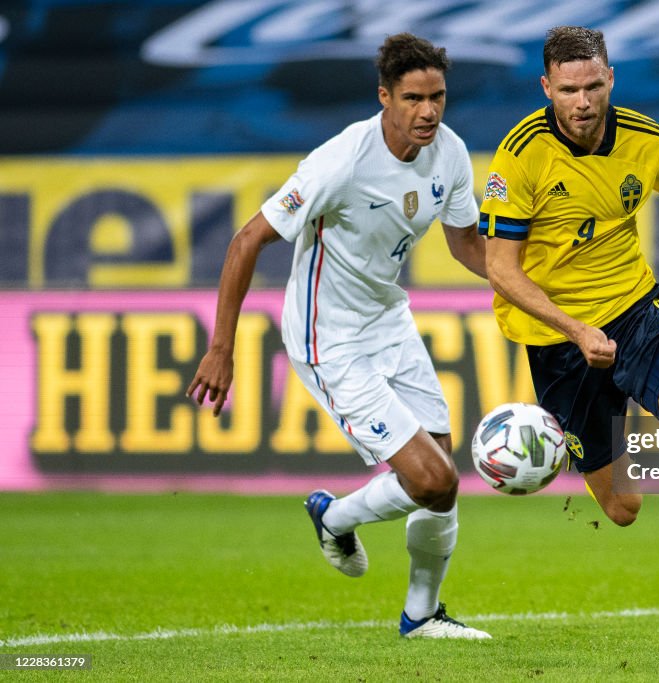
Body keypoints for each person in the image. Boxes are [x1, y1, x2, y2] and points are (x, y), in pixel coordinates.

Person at [479, 26, 659, 653]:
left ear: (611, 78)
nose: (582, 102)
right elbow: (501, 268)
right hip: (557, 337)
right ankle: (598, 425)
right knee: (623, 508)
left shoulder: (649, 139)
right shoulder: (520, 155)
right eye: (567, 90)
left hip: (638, 309)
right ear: (546, 88)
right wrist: (575, 328)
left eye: (593, 86)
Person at [187, 33, 490, 640]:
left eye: (438, 97)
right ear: (385, 97)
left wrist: (531, 288)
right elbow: (247, 240)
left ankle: (421, 614)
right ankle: (334, 516)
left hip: (388, 319)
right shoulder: (343, 160)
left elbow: (466, 244)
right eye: (413, 98)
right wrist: (223, 346)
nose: (428, 111)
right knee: (433, 481)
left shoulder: (451, 152)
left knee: (440, 475)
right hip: (328, 336)